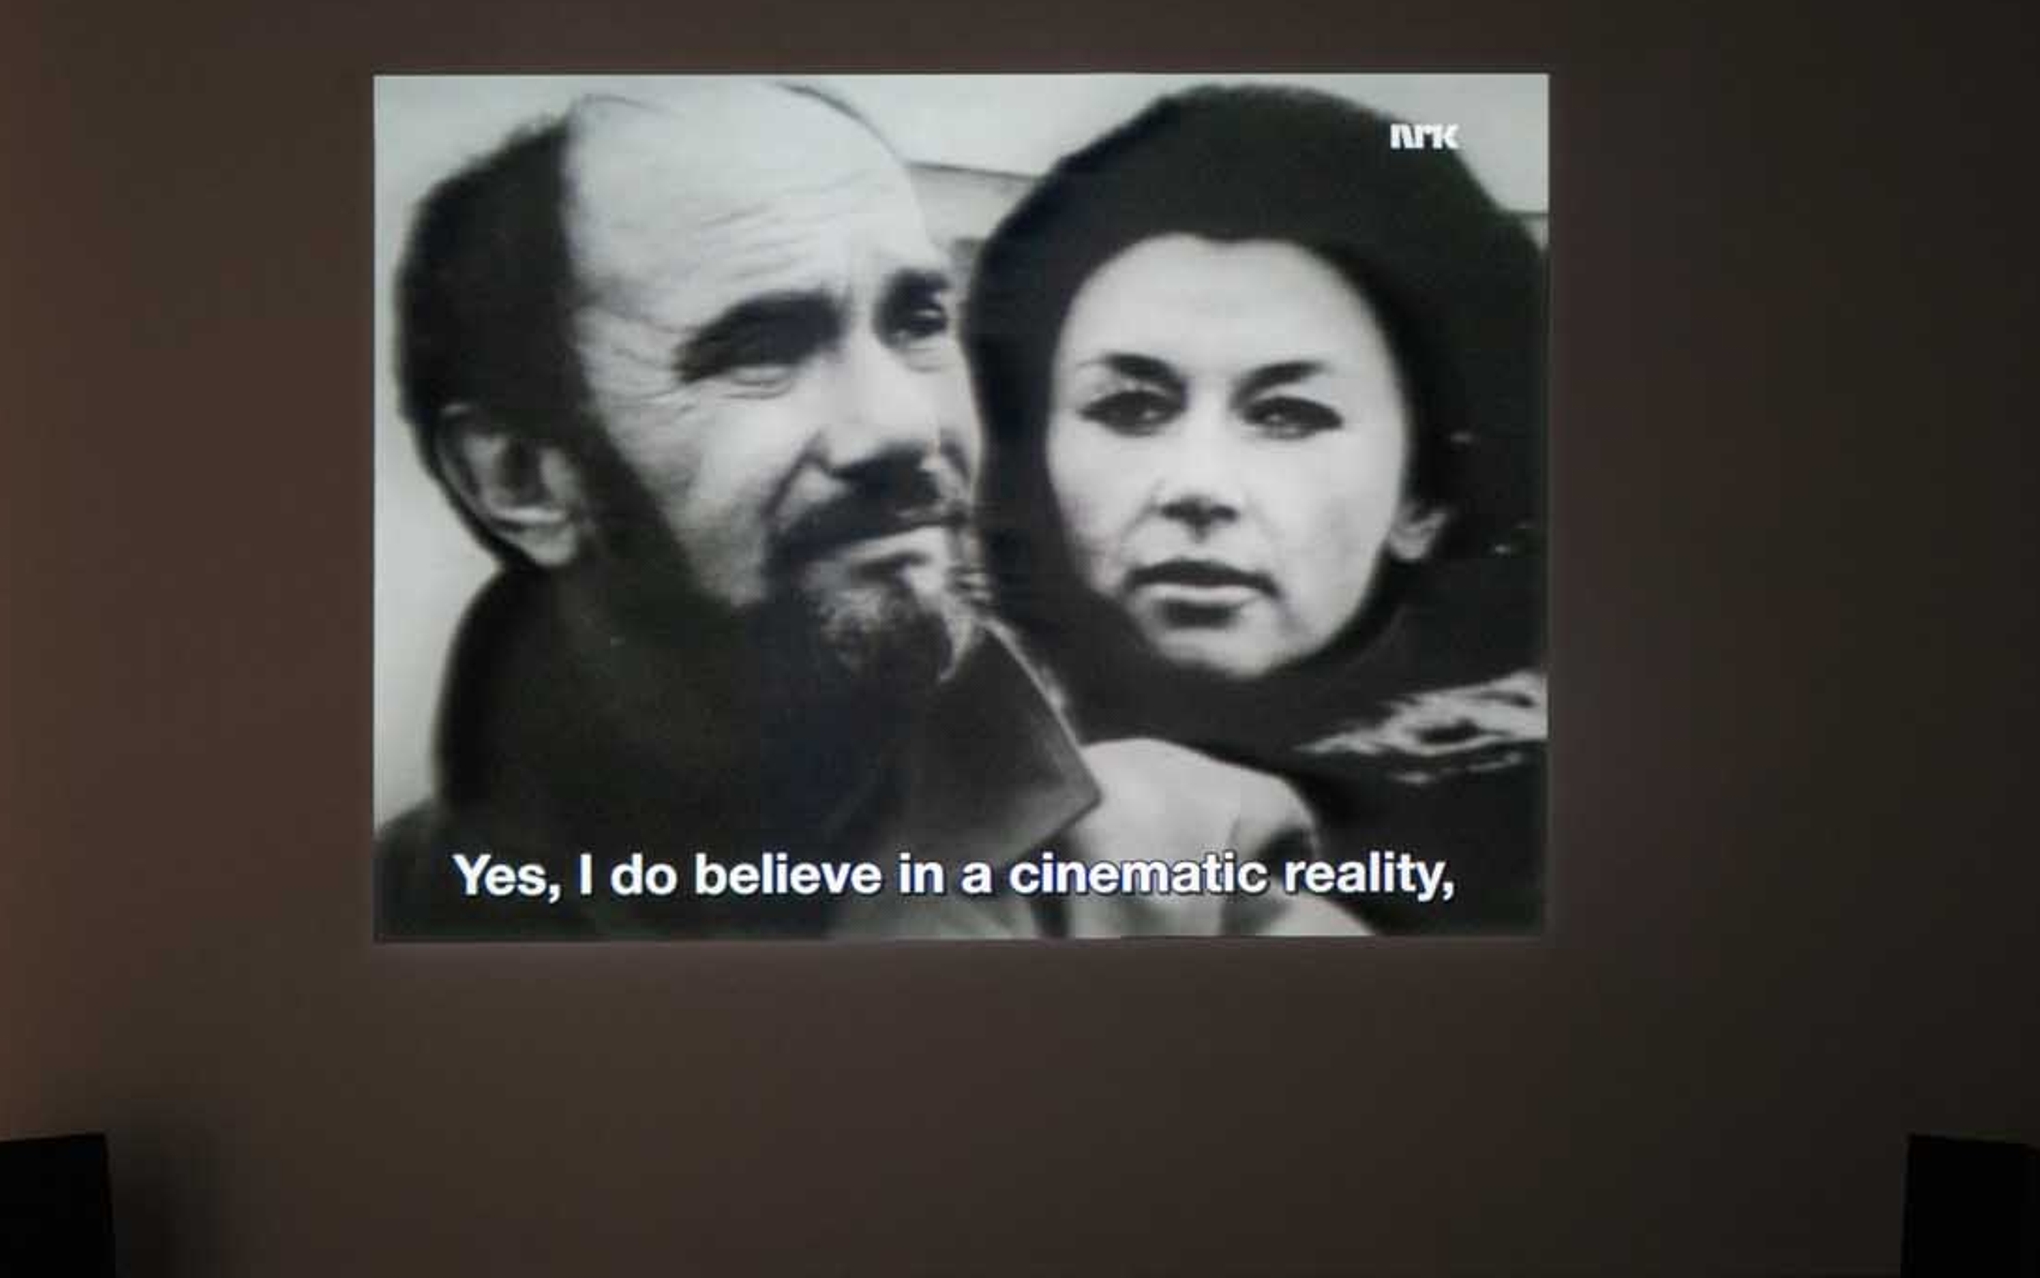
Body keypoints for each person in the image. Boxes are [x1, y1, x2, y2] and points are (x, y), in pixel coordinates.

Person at [375, 81, 1359, 939]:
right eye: (760, 347)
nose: (904, 426)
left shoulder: (1187, 870)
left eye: (919, 321)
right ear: (519, 480)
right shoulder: (379, 919)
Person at [968, 84, 1548, 934]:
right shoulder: (919, 797)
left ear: (1423, 498)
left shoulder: (1557, 845)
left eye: (1289, 414)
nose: (1199, 486)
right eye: (1130, 407)